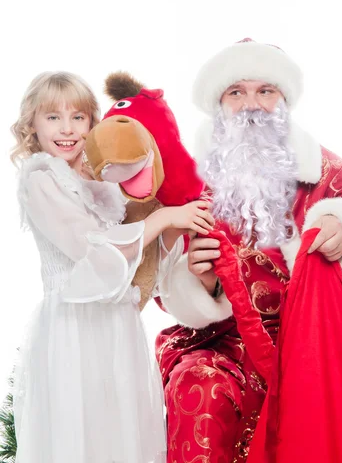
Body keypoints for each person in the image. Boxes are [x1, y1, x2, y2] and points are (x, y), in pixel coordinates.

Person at [156, 38, 342, 463]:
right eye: (237, 92)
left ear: (283, 101)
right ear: (219, 105)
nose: (252, 104)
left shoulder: (317, 166)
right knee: (201, 387)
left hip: (313, 336)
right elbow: (159, 268)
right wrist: (202, 284)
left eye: (265, 91)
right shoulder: (187, 178)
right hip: (222, 342)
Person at [10, 71, 214, 463]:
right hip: (76, 330)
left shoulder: (101, 183)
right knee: (82, 436)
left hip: (118, 328)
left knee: (122, 436)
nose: (67, 129)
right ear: (32, 125)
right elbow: (94, 249)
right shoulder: (41, 180)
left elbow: (140, 265)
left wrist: (172, 221)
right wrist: (165, 217)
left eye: (79, 117)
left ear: (93, 122)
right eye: (53, 117)